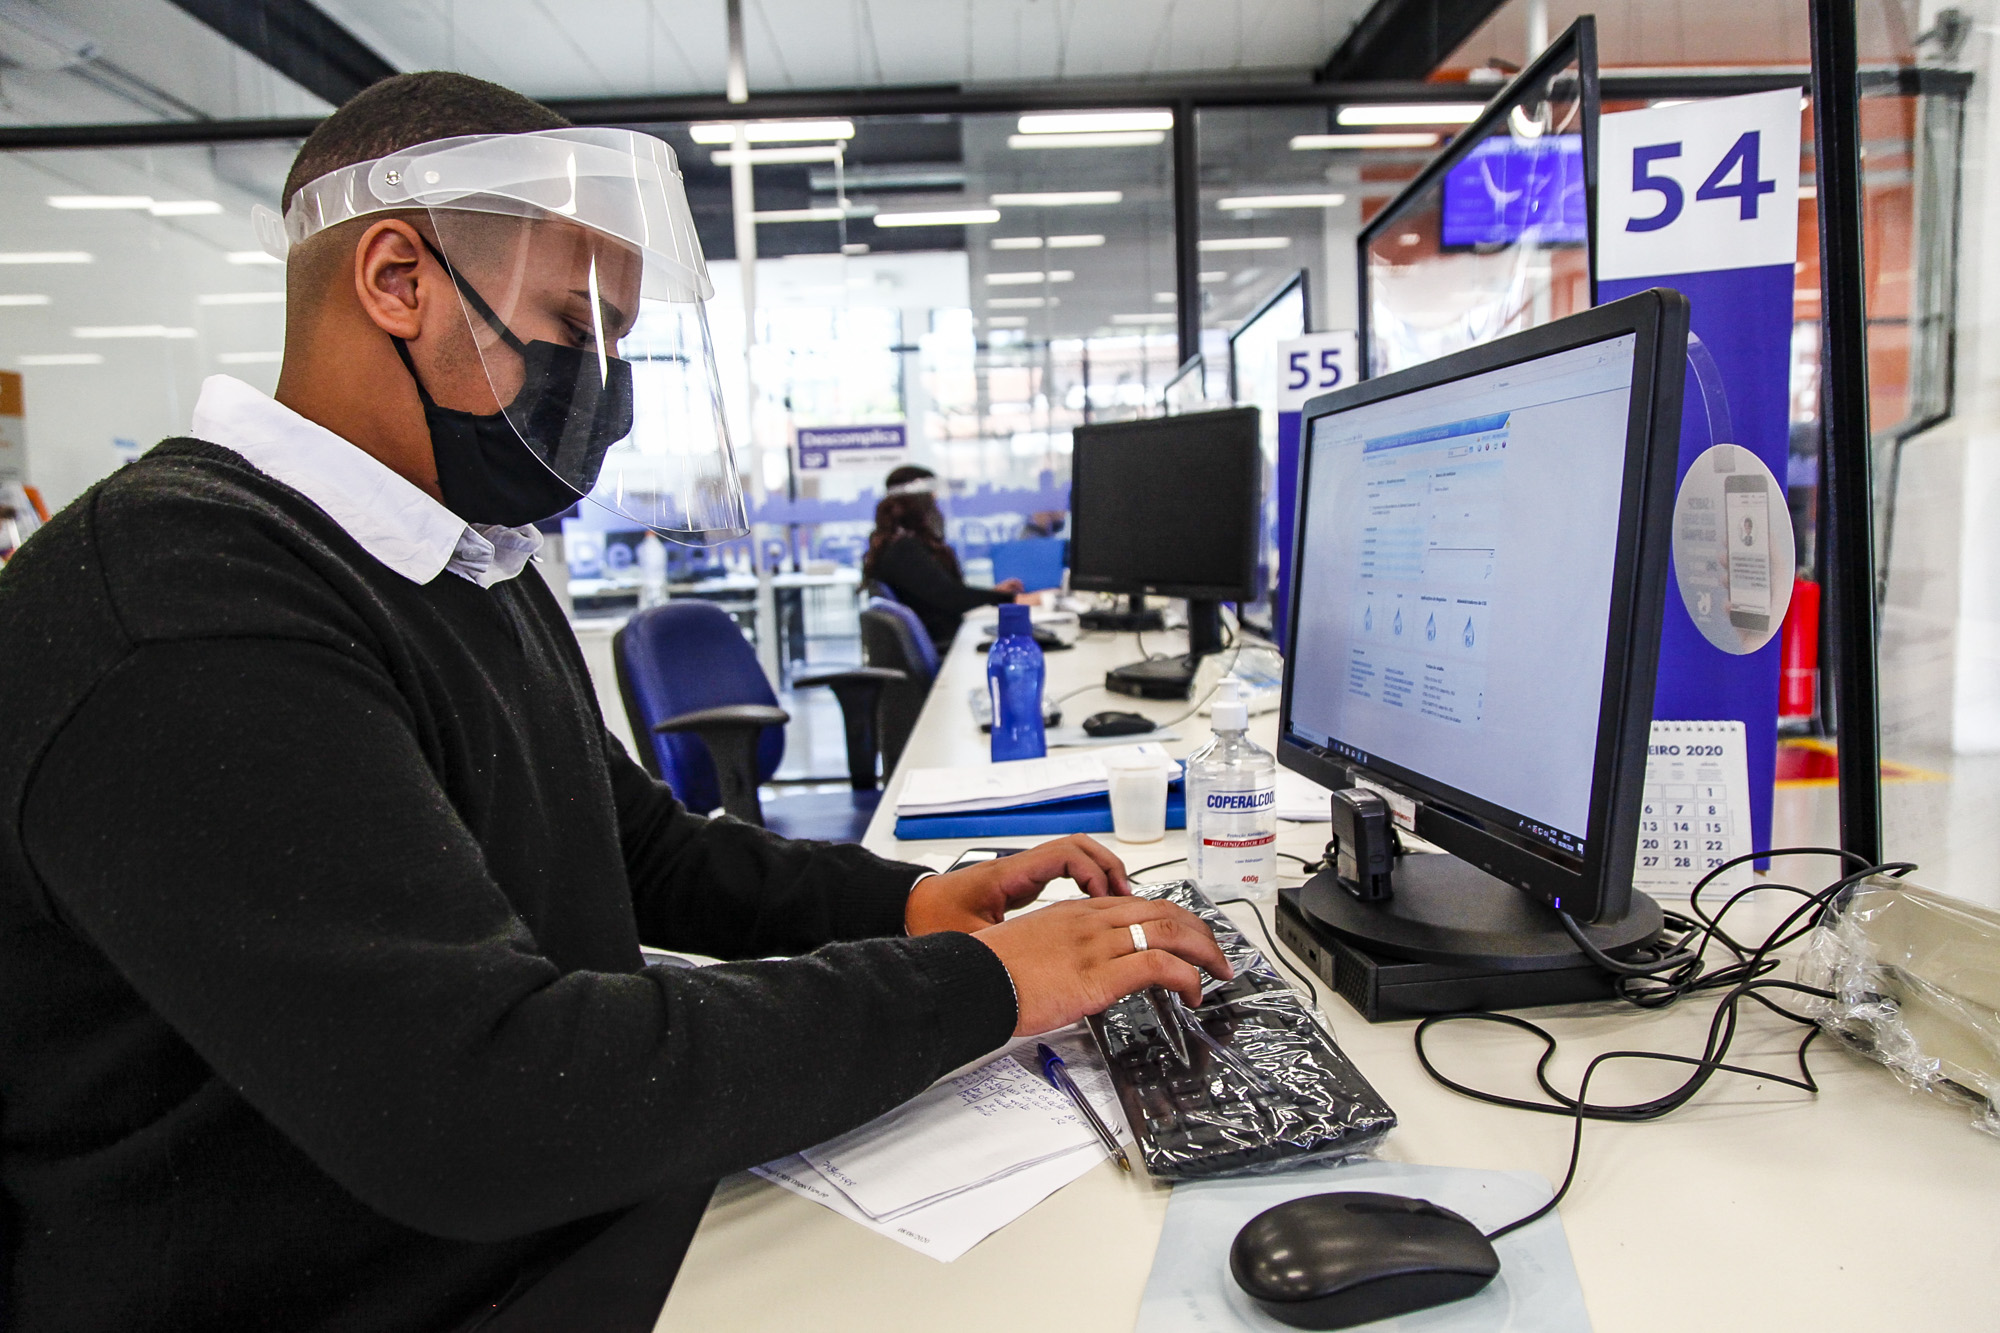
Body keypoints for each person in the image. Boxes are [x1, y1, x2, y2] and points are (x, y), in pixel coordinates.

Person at [0, 73, 1230, 1333]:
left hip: (540, 1225)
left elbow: (632, 845)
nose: (604, 386)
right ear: (396, 281)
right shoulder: (183, 605)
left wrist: (911, 903)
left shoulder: (455, 550)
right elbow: (478, 1101)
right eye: (572, 329)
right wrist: (978, 984)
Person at [863, 464, 1027, 652]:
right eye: (933, 502)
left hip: (944, 641)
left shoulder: (901, 545)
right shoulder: (903, 549)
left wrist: (994, 594)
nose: (938, 509)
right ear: (919, 505)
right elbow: (951, 598)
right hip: (943, 647)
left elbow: (940, 593)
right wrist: (1012, 599)